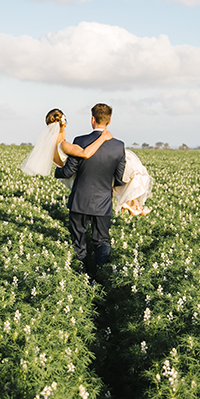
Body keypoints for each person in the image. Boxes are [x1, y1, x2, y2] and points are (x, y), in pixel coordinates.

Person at [20, 108, 152, 215]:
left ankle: (131, 202)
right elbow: (85, 153)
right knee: (126, 160)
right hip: (83, 175)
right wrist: (103, 137)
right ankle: (130, 202)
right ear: (64, 123)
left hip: (75, 181)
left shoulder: (50, 147)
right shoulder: (64, 145)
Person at [53, 103, 127, 281]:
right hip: (103, 203)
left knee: (79, 242)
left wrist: (56, 171)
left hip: (79, 201)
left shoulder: (80, 141)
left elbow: (68, 170)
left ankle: (82, 277)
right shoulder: (118, 146)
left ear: (93, 119)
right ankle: (100, 276)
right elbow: (119, 177)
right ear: (109, 121)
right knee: (102, 241)